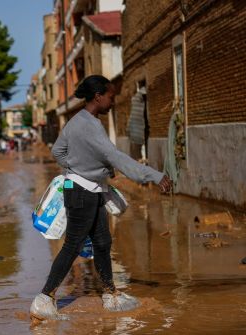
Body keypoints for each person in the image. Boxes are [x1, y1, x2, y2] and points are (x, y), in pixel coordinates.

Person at [30, 75, 172, 321]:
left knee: (103, 242)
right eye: (111, 97)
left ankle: (111, 294)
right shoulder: (90, 126)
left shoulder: (79, 121)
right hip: (82, 193)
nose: (112, 102)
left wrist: (76, 167)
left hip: (90, 190)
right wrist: (155, 176)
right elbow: (115, 157)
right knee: (73, 244)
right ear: (98, 96)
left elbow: (57, 152)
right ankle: (44, 299)